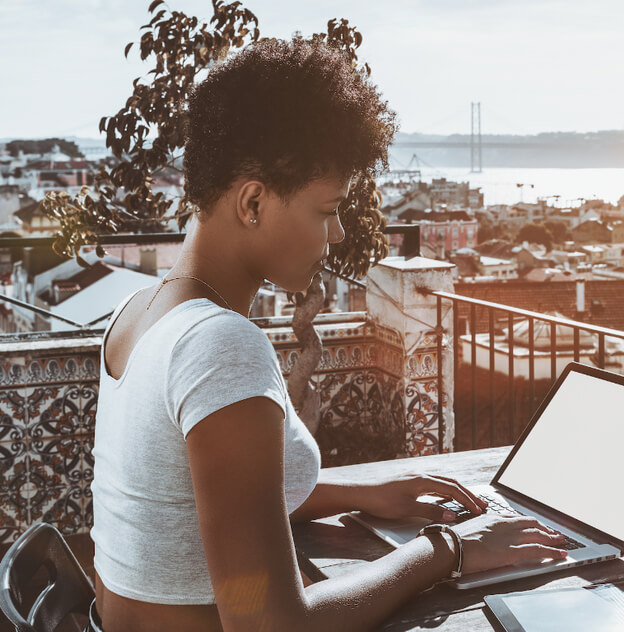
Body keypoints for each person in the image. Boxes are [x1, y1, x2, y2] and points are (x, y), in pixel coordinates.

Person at [90, 38, 567, 632]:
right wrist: (449, 549)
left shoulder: (141, 312)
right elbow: (271, 625)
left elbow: (207, 497)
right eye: (326, 209)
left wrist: (368, 496)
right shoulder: (217, 346)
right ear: (254, 202)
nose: (338, 232)